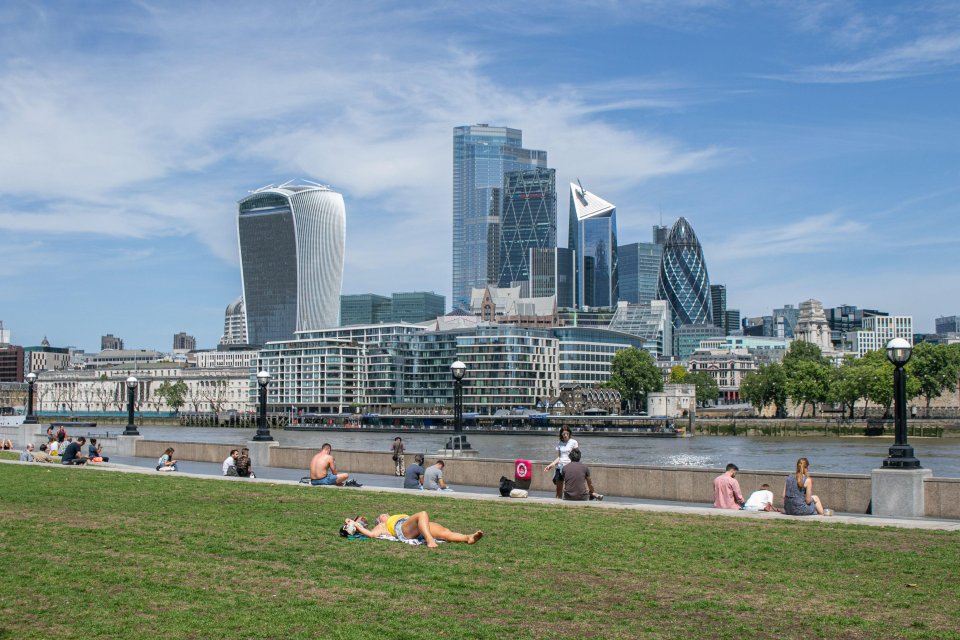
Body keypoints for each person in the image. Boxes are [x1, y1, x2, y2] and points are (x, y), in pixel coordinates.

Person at [344, 511, 483, 549]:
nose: (386, 514)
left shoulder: (392, 518)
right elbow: (371, 534)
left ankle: (467, 538)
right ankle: (429, 540)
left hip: (412, 525)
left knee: (444, 532)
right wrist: (355, 524)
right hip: (402, 529)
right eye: (383, 515)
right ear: (380, 520)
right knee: (422, 514)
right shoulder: (382, 526)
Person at [544, 426, 579, 499]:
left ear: (569, 433)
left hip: (569, 467)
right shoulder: (559, 443)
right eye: (564, 434)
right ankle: (558, 501)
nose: (565, 435)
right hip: (560, 467)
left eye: (567, 433)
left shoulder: (574, 442)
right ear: (561, 435)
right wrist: (551, 465)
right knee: (558, 489)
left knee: (569, 488)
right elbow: (559, 457)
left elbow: (577, 456)